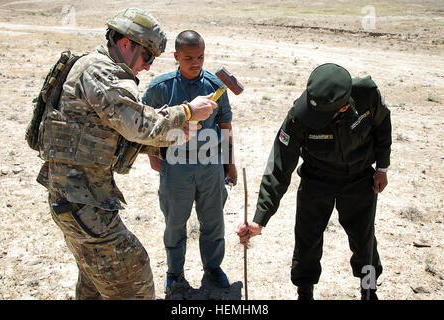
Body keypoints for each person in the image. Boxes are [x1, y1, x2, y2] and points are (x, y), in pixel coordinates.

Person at [35, 8, 218, 300]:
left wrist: (173, 135)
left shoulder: (94, 68)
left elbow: (111, 133)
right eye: (147, 57)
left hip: (76, 198)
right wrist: (187, 112)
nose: (146, 67)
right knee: (133, 277)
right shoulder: (100, 71)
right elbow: (137, 125)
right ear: (126, 44)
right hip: (83, 202)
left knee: (95, 283)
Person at [236, 63, 392, 300]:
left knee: (364, 241)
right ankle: (305, 291)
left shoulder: (366, 93)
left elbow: (382, 125)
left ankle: (368, 289)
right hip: (317, 181)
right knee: (307, 240)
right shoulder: (299, 117)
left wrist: (382, 167)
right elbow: (279, 167)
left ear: (344, 107)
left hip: (360, 179)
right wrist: (260, 219)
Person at [142, 30, 236, 293]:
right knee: (174, 223)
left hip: (210, 167)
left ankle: (213, 268)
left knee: (214, 221)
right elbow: (146, 123)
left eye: (201, 57)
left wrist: (230, 164)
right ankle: (174, 273)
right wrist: (153, 155)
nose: (196, 63)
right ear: (176, 57)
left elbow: (225, 125)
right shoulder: (161, 88)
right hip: (176, 168)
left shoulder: (217, 87)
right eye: (189, 58)